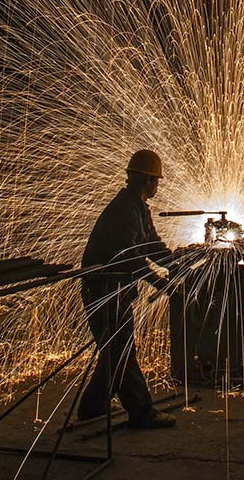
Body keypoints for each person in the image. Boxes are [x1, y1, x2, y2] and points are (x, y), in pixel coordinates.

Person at [78, 148, 177, 428]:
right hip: (104, 292)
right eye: (156, 180)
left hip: (113, 291)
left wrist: (174, 264)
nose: (158, 185)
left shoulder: (137, 208)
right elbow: (131, 257)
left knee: (115, 352)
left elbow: (150, 246)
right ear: (148, 180)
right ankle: (142, 412)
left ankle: (92, 408)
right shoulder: (125, 210)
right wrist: (161, 283)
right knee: (121, 351)